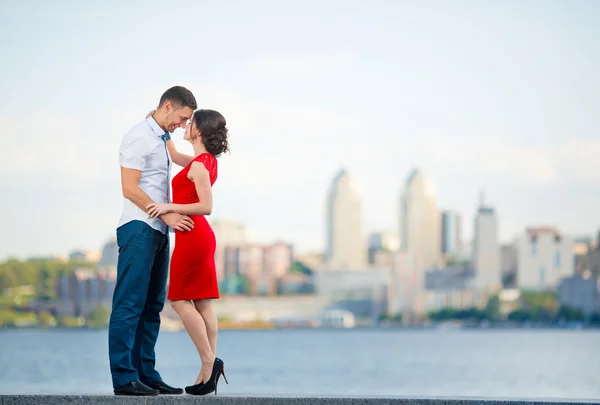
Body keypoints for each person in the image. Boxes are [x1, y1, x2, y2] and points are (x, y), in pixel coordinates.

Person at [109, 86, 197, 396]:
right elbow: (130, 188)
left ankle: (146, 374)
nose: (183, 125)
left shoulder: (160, 135)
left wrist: (207, 161)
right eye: (182, 119)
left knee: (152, 307)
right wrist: (168, 216)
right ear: (169, 106)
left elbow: (179, 158)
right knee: (129, 305)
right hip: (139, 227)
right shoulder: (138, 136)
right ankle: (123, 377)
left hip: (158, 231)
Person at [146, 108, 230, 396]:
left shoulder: (200, 166)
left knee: (181, 301)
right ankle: (207, 374)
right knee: (203, 305)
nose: (187, 124)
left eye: (190, 122)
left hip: (194, 236)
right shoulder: (202, 160)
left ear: (200, 131)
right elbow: (176, 156)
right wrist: (162, 129)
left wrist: (170, 207)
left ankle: (209, 361)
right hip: (196, 236)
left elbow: (206, 206)